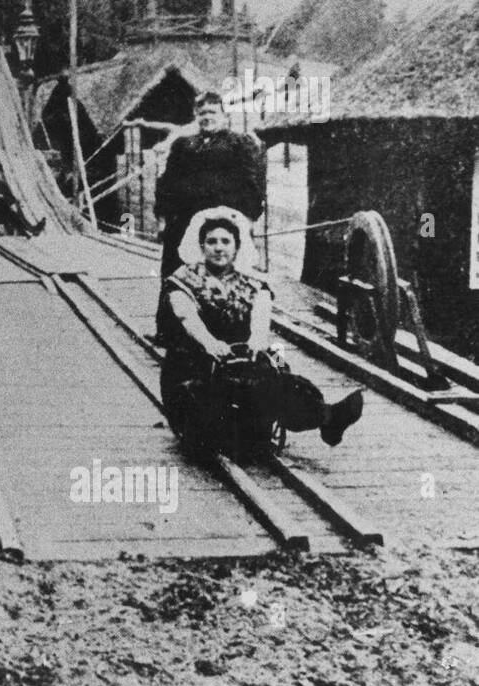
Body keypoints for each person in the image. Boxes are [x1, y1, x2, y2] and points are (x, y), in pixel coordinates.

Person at [161, 208, 363, 449]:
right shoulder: (183, 279)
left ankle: (328, 417)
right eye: (211, 241)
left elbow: (260, 318)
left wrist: (257, 341)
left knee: (278, 362)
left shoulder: (254, 283)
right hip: (195, 358)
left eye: (226, 241)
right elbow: (186, 317)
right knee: (210, 401)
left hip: (242, 357)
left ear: (236, 247)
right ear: (202, 246)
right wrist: (210, 343)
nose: (218, 248)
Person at [154, 90, 267, 339]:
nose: (207, 117)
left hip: (222, 223)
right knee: (175, 272)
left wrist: (247, 220)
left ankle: (226, 331)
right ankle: (170, 331)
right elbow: (167, 182)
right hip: (183, 221)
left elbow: (252, 183)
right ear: (196, 115)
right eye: (202, 112)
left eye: (212, 112)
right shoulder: (183, 145)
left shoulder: (239, 143)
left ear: (224, 115)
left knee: (226, 272)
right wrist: (162, 218)